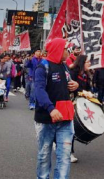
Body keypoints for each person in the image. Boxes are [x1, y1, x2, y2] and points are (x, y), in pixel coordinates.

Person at [34, 38, 79, 179]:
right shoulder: (43, 67)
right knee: (44, 155)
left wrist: (75, 86)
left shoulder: (64, 66)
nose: (68, 52)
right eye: (66, 49)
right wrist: (51, 109)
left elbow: (66, 88)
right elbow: (39, 91)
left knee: (65, 156)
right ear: (59, 50)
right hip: (46, 120)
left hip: (65, 119)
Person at [70, 54, 93, 163]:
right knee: (70, 128)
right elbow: (70, 86)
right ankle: (69, 152)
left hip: (80, 103)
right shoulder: (73, 72)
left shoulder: (86, 75)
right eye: (88, 62)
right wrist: (82, 91)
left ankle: (59, 143)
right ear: (82, 62)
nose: (90, 63)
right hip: (70, 102)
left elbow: (88, 89)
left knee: (71, 128)